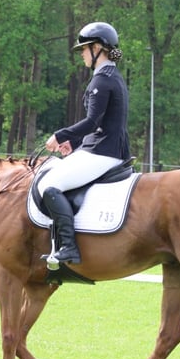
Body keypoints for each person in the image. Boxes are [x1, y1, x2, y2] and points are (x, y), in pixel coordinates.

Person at [37, 21, 131, 267]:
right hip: (104, 147)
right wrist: (74, 141)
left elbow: (92, 122)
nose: (81, 54)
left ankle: (68, 247)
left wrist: (60, 135)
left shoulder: (103, 80)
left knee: (49, 184)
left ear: (98, 48)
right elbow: (102, 123)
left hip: (104, 151)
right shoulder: (110, 76)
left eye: (84, 49)